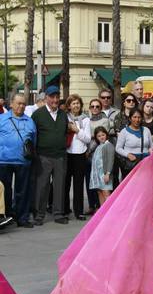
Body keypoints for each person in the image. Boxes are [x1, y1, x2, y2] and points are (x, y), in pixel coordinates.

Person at [31, 85, 69, 225]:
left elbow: (65, 132)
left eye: (57, 97)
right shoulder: (38, 114)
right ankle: (39, 215)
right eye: (52, 97)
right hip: (43, 156)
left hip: (60, 156)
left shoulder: (63, 114)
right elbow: (33, 134)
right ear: (46, 98)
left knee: (59, 186)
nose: (55, 100)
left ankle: (58, 214)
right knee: (42, 186)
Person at [0, 92, 37, 228]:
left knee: (23, 191)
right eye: (18, 103)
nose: (21, 106)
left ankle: (22, 218)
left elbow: (34, 140)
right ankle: (6, 216)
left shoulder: (30, 121)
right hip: (3, 161)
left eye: (23, 104)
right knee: (5, 191)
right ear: (11, 104)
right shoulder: (2, 119)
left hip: (23, 161)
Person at [63, 94, 91, 221]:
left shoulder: (85, 119)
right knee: (65, 183)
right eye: (73, 103)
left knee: (78, 184)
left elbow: (87, 138)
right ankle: (64, 210)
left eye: (78, 103)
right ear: (69, 106)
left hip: (80, 154)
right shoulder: (64, 117)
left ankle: (78, 211)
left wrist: (77, 130)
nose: (76, 105)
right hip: (66, 153)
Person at [86, 97, 112, 214]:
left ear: (101, 108)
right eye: (92, 106)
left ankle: (105, 209)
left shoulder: (105, 120)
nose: (95, 108)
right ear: (89, 108)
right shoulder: (87, 120)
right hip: (89, 156)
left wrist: (90, 138)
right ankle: (94, 206)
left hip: (100, 155)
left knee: (103, 186)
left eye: (97, 106)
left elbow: (100, 137)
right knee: (92, 182)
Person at [115, 107, 153, 176]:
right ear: (130, 118)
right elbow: (118, 148)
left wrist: (151, 152)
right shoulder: (124, 132)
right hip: (131, 162)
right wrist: (128, 155)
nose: (137, 120)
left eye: (139, 117)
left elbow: (152, 146)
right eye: (134, 117)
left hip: (145, 162)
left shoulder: (146, 130)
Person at [89, 126, 114, 206]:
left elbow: (110, 160)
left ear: (106, 134)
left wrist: (108, 173)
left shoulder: (108, 145)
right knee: (100, 192)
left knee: (106, 192)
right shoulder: (99, 146)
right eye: (99, 136)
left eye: (103, 135)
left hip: (104, 174)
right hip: (98, 175)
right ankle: (102, 211)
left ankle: (109, 211)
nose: (101, 137)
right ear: (96, 138)